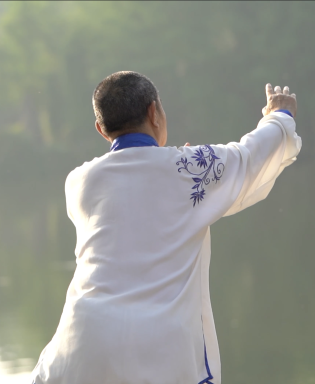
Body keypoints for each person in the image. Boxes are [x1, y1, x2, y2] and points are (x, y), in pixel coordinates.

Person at [30, 71, 301, 384]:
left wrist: (179, 167)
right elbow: (250, 156)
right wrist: (280, 115)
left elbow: (139, 201)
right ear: (153, 112)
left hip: (81, 347)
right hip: (158, 351)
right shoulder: (189, 169)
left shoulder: (79, 182)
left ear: (102, 130)